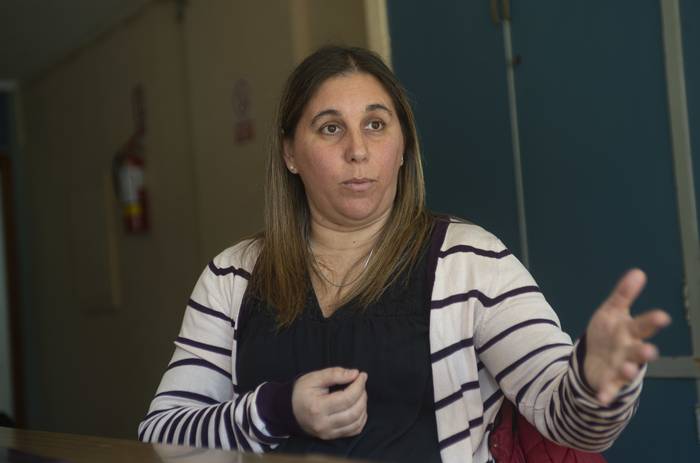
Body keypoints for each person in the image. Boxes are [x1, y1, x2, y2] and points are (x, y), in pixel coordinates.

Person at [138, 46, 670, 463]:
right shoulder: (232, 276)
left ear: (402, 146)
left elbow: (569, 422)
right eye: (330, 128)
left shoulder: (470, 261)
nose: (358, 149)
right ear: (289, 154)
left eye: (375, 123)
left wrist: (598, 381)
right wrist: (277, 409)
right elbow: (161, 435)